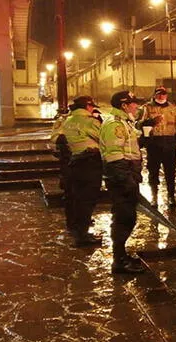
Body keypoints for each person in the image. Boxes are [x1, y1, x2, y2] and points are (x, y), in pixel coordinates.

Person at [99, 91, 146, 274]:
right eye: (133, 103)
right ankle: (119, 261)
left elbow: (131, 144)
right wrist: (127, 180)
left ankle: (121, 256)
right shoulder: (115, 125)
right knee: (123, 218)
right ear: (124, 105)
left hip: (127, 176)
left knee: (127, 217)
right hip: (121, 179)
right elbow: (114, 155)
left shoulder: (125, 122)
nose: (136, 106)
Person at [61, 96, 103, 247]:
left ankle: (74, 227)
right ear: (88, 106)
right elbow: (103, 139)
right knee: (87, 199)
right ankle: (83, 235)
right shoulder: (91, 122)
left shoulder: (66, 121)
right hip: (90, 163)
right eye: (91, 107)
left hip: (72, 163)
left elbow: (57, 140)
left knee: (75, 197)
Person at [139, 86, 176, 208]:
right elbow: (138, 124)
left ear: (166, 95)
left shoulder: (173, 108)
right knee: (153, 171)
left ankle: (171, 196)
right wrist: (147, 123)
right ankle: (154, 196)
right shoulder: (147, 107)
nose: (161, 96)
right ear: (154, 95)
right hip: (154, 143)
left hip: (169, 144)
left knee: (170, 172)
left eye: (163, 94)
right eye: (158, 94)